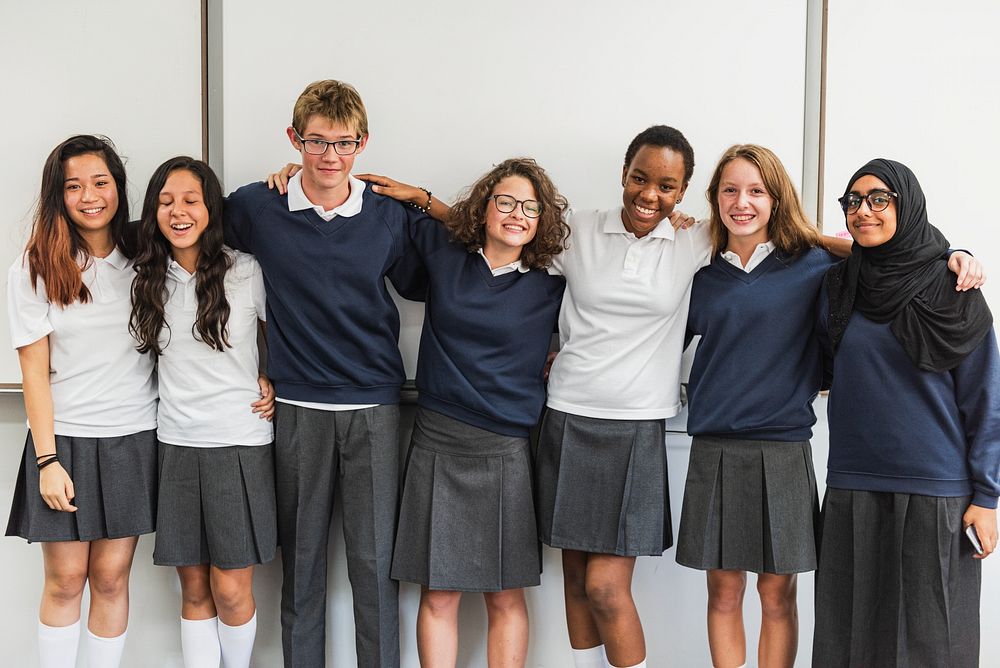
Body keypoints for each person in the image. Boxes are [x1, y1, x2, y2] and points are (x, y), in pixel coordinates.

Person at [223, 79, 425, 668]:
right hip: (297, 410)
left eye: (343, 143)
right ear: (294, 140)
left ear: (362, 143)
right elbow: (205, 268)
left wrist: (425, 200)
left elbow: (429, 280)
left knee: (375, 569)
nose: (330, 157)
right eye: (315, 142)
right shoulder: (257, 207)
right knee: (301, 568)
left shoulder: (388, 215)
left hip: (375, 408)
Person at [343, 158, 567, 667]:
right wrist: (422, 197)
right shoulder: (447, 256)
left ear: (541, 221)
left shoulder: (554, 282)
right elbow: (373, 204)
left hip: (506, 449)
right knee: (439, 594)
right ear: (483, 208)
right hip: (437, 442)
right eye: (505, 202)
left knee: (505, 595)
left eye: (530, 208)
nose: (516, 214)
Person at [812, 158, 998, 667]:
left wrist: (988, 494)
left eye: (879, 199)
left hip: (937, 492)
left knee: (931, 643)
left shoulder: (954, 288)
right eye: (853, 201)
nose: (863, 211)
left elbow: (987, 401)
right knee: (849, 637)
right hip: (852, 486)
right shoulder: (837, 286)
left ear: (907, 205)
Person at [6, 135, 157, 668]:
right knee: (66, 579)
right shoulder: (36, 266)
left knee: (111, 579)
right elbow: (33, 372)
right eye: (74, 186)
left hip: (134, 437)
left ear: (118, 187)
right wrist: (47, 460)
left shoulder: (149, 256)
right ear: (58, 196)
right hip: (64, 440)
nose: (90, 196)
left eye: (101, 182)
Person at [129, 156, 276, 668]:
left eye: (191, 200)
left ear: (211, 208)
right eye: (166, 202)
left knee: (231, 589)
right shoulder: (145, 275)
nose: (178, 211)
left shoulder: (246, 270)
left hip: (239, 442)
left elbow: (289, 335)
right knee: (192, 588)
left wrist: (273, 376)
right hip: (175, 444)